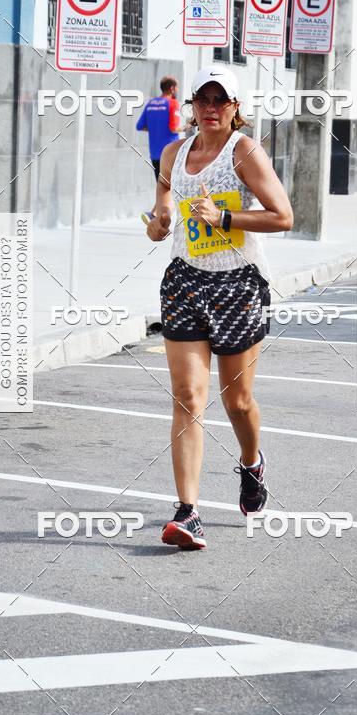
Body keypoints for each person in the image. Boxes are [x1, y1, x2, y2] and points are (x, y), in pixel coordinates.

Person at [145, 65, 294, 550]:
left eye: (220, 101)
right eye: (202, 100)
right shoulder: (174, 151)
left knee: (237, 402)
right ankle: (188, 514)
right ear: (191, 105)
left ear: (235, 109)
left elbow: (283, 216)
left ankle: (252, 463)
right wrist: (159, 220)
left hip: (238, 284)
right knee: (188, 395)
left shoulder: (244, 152)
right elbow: (165, 192)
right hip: (185, 281)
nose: (210, 108)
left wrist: (225, 215)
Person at [136, 76, 181, 222]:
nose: (177, 90)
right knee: (171, 186)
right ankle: (158, 216)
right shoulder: (173, 103)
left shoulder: (151, 104)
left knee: (164, 185)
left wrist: (155, 129)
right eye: (177, 88)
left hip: (155, 153)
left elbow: (139, 126)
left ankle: (154, 214)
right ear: (172, 88)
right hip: (171, 152)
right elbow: (174, 128)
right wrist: (187, 127)